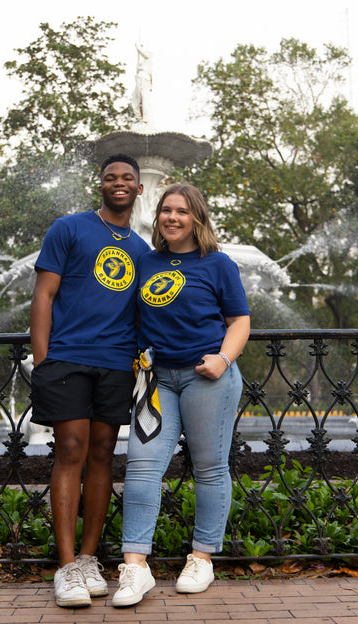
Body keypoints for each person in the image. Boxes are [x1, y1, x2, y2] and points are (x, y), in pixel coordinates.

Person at [112, 183, 251, 607]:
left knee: (209, 469)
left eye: (182, 212)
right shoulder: (145, 261)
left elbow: (239, 320)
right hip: (155, 382)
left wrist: (223, 361)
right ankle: (135, 568)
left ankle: (202, 558)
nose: (172, 218)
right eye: (166, 210)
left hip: (205, 377)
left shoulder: (218, 264)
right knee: (141, 467)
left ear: (197, 219)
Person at [29, 153, 150, 608]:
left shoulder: (141, 250)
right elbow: (44, 293)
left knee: (102, 454)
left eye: (127, 179)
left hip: (117, 364)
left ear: (140, 189)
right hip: (68, 361)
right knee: (71, 452)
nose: (118, 183)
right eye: (110, 178)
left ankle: (87, 559)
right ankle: (65, 570)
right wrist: (43, 361)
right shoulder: (69, 228)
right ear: (100, 186)